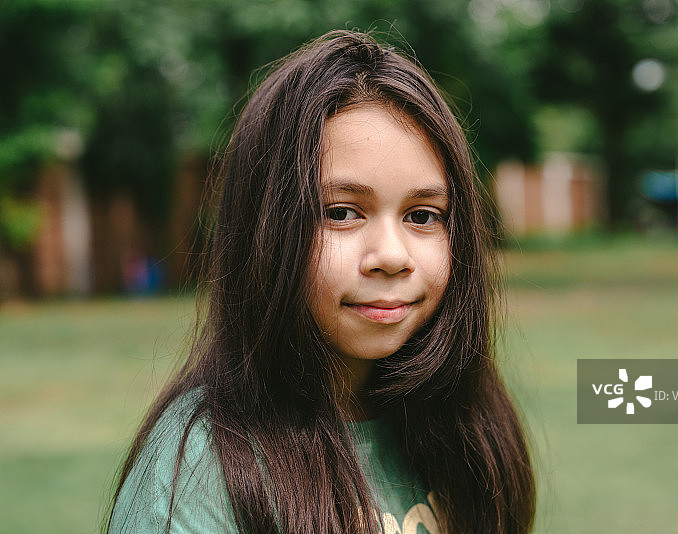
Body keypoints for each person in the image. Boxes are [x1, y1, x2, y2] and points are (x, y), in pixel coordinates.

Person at [107, 30, 535, 534]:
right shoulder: (200, 473)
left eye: (422, 215)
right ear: (265, 229)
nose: (391, 257)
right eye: (341, 212)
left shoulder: (466, 427)